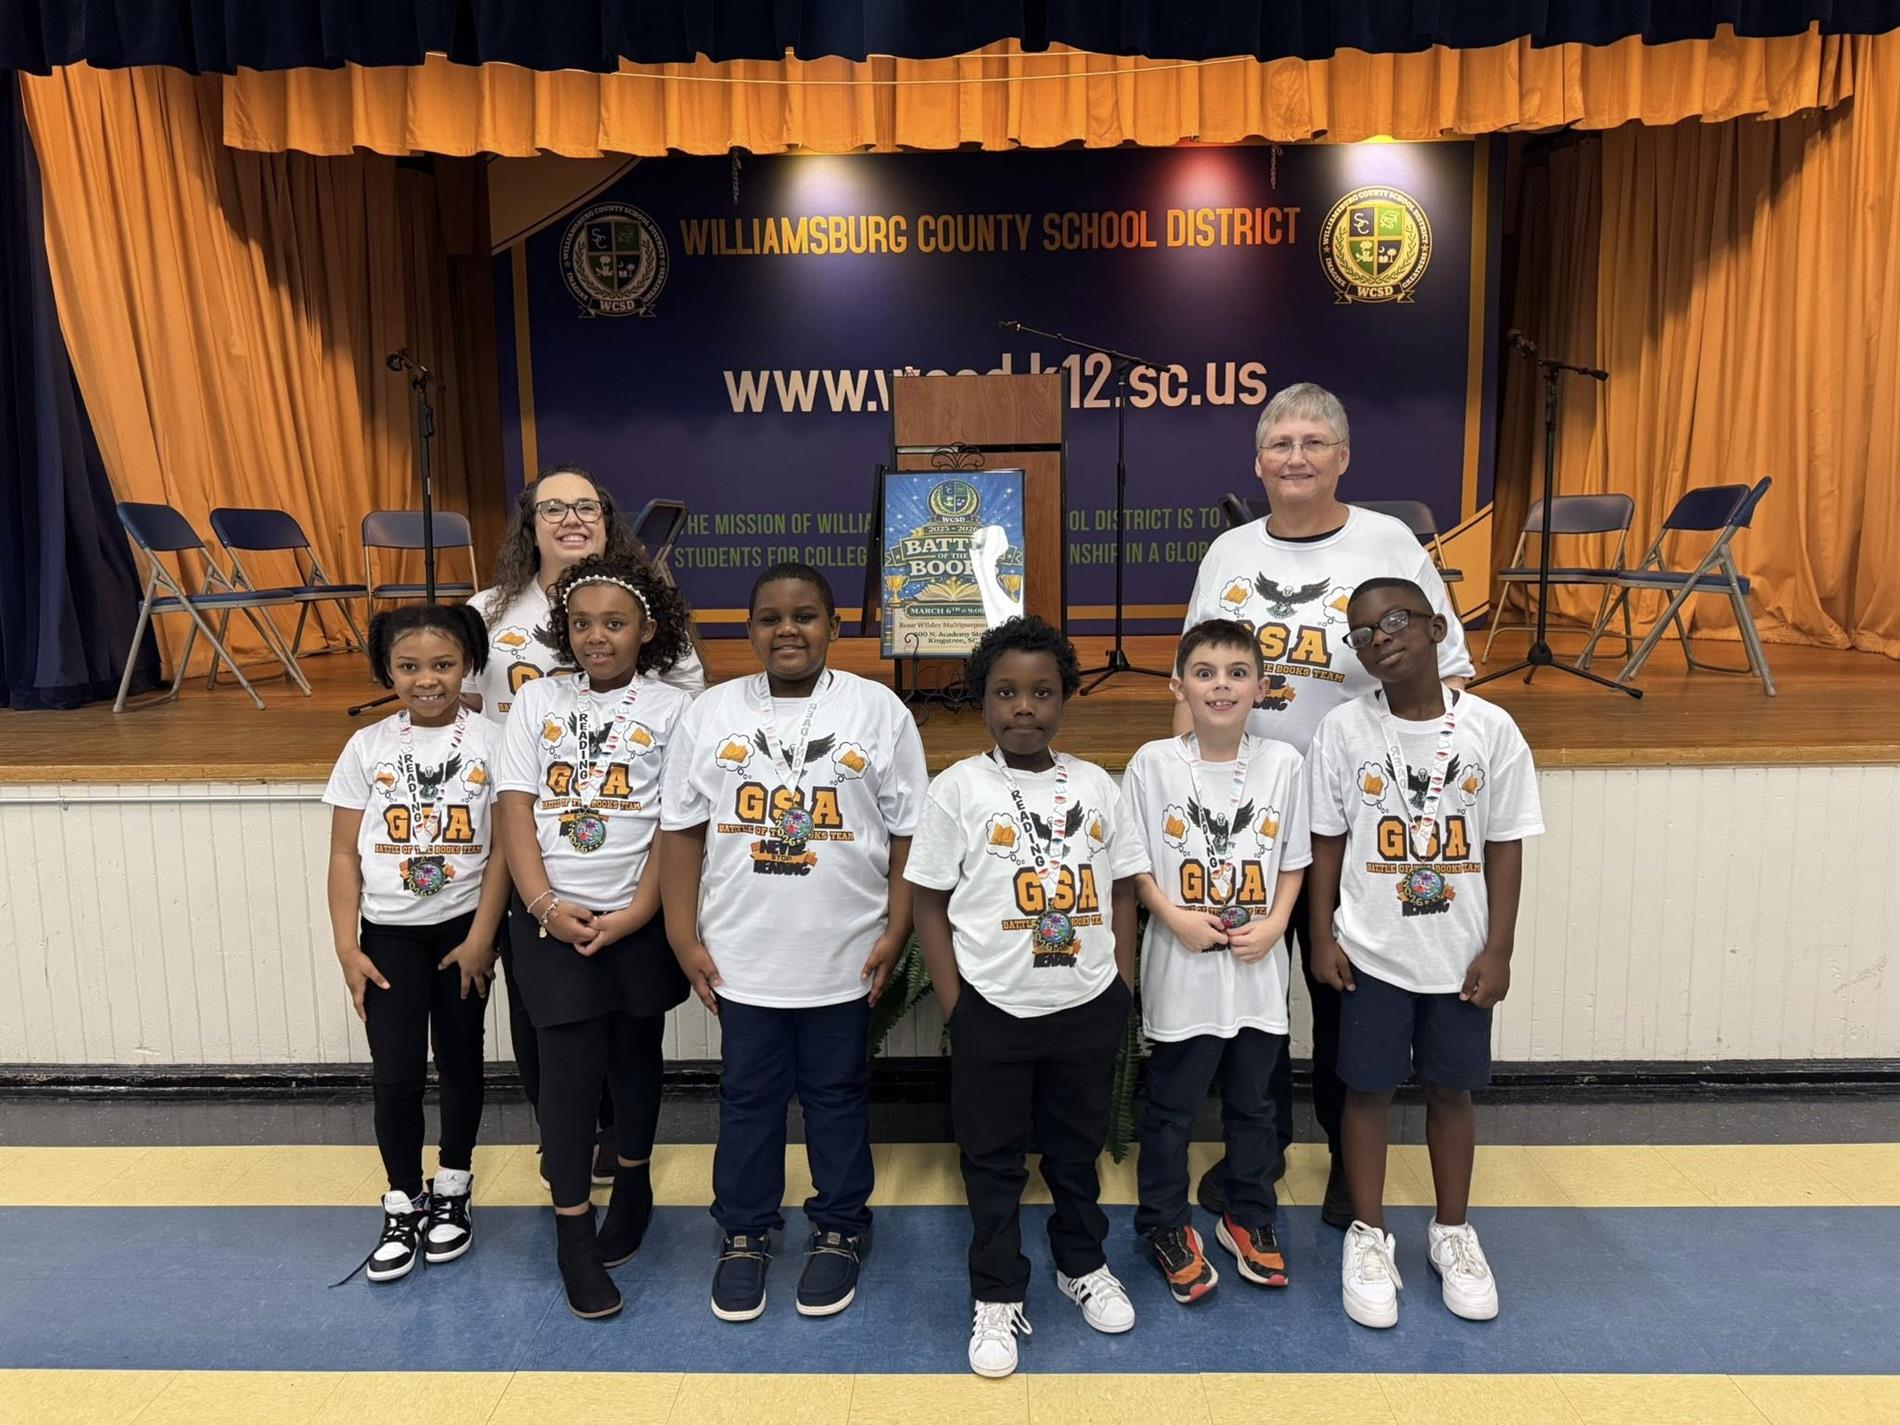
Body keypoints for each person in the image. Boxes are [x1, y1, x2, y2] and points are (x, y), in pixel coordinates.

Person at [1180, 381, 1473, 1229]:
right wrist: (1189, 781)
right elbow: (1195, 675)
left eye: (1315, 442)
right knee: (1256, 999)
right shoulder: (1229, 553)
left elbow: (1447, 674)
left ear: (1344, 457)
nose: (1297, 457)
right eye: (1281, 444)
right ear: (1258, 462)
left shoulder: (1390, 544)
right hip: (1250, 820)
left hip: (1357, 822)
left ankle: (1355, 1168)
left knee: (1352, 994)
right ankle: (1256, 1159)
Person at [658, 562, 927, 1323]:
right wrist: (682, 932)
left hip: (844, 954)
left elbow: (909, 833)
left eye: (806, 615)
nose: (787, 629)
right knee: (747, 1101)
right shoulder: (709, 713)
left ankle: (840, 1225)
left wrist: (898, 926)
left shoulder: (878, 710)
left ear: (835, 628)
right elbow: (680, 831)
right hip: (745, 957)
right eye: (770, 617)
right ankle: (745, 1230)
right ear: (748, 629)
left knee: (838, 1098)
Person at [906, 615, 1149, 1380]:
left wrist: (1121, 987)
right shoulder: (958, 790)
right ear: (982, 698)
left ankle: (1081, 1263)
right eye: (1006, 691)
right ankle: (996, 1290)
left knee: (1075, 1153)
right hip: (993, 1012)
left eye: (1043, 691)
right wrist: (957, 1008)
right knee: (993, 1159)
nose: (1024, 706)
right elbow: (928, 905)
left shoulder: (1095, 785)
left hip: (1085, 1007)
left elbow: (1121, 893)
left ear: (1064, 699)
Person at [1305, 577, 1542, 1329]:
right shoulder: (1343, 730)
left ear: (1437, 626)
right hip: (1373, 950)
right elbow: (1326, 841)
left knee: (1451, 1090)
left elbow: (1505, 843)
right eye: (1364, 633)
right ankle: (1370, 1236)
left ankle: (1451, 1230)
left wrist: (1498, 946)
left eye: (1396, 620)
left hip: (1457, 953)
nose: (1381, 639)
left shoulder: (1492, 729)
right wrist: (1321, 933)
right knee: (1366, 1092)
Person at [467, 464, 705, 1191]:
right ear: (528, 523)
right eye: (553, 508)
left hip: (628, 844)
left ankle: (618, 1145)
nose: (571, 519)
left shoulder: (656, 641)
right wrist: (535, 894)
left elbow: (686, 734)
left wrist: (643, 902)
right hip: (531, 834)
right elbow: (472, 723)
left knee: (630, 1027)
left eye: (587, 508)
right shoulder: (487, 611)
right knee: (549, 1018)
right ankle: (564, 1139)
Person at [494, 554, 697, 1320]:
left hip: (636, 916)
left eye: (614, 623)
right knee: (570, 1077)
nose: (596, 637)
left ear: (647, 630)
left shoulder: (675, 709)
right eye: (582, 624)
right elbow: (516, 807)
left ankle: (635, 1185)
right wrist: (544, 904)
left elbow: (675, 823)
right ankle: (572, 1231)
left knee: (635, 1055)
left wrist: (642, 911)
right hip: (550, 918)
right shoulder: (537, 700)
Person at [1124, 619, 1310, 1303]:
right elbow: (1135, 863)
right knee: (1170, 1109)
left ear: (1262, 686)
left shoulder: (1285, 765)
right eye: (1204, 672)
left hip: (1257, 973)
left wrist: (1278, 923)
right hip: (1183, 971)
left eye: (1237, 672)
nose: (1221, 684)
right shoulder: (1153, 763)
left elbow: (1293, 862)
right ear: (1179, 685)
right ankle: (1166, 1223)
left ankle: (1248, 1214)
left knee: (1255, 1108)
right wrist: (1172, 917)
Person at [323, 604, 508, 1283]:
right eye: (408, 666)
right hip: (388, 939)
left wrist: (483, 938)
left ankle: (454, 1186)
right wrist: (349, 947)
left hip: (463, 935)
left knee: (460, 1064)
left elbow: (504, 857)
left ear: (468, 665)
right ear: (387, 670)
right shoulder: (367, 747)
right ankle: (403, 1198)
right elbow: (344, 855)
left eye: (442, 664)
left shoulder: (494, 740)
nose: (426, 679)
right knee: (395, 1074)